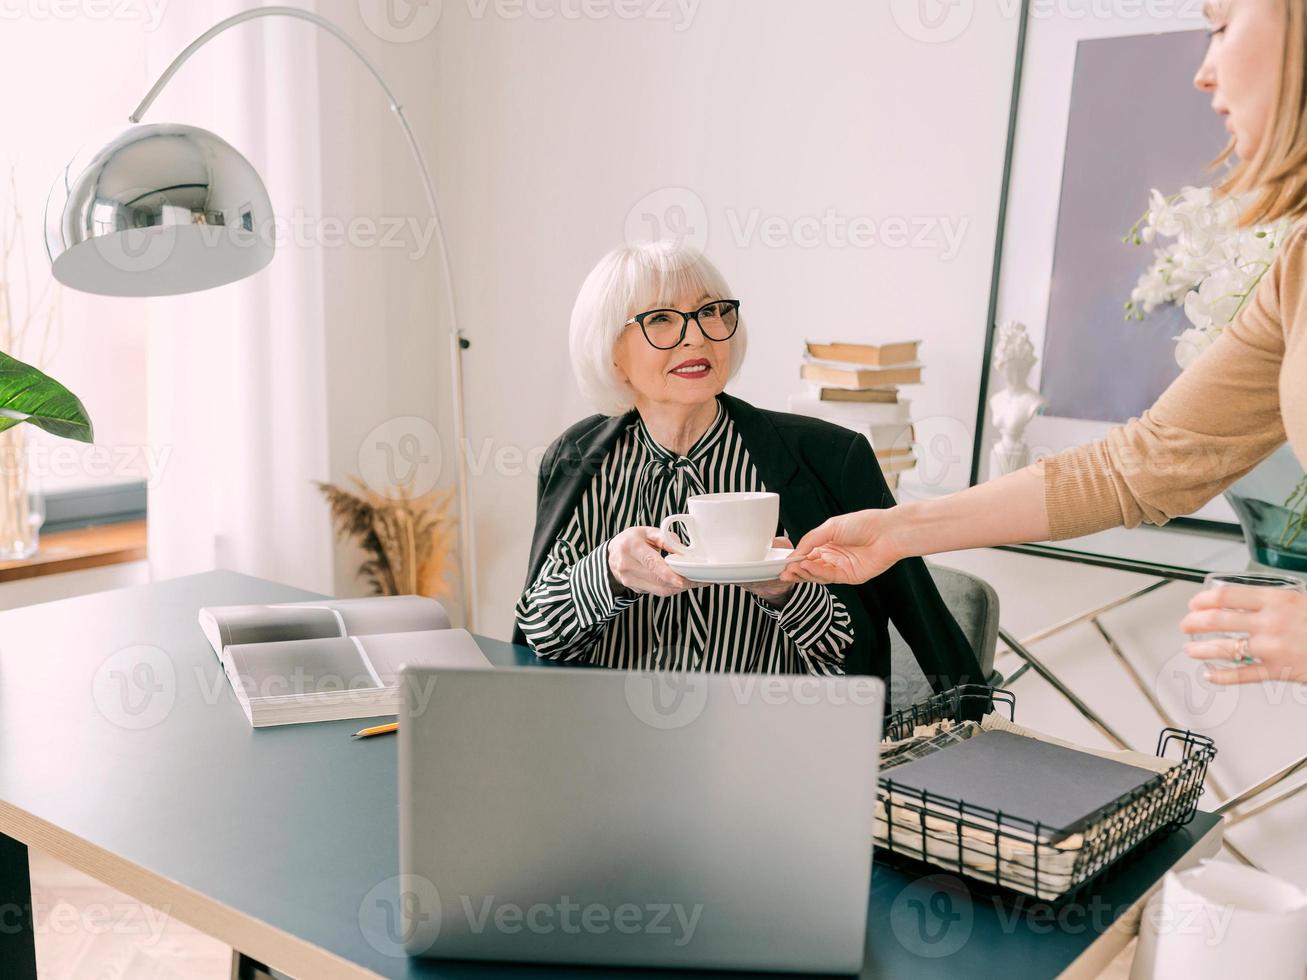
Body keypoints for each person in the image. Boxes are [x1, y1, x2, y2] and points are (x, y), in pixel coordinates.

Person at [783, 0, 1307, 687]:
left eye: (1220, 26)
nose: (1202, 74)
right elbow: (1142, 463)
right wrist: (897, 531)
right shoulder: (1295, 267)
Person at [512, 241, 983, 696]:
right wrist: (608, 572)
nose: (697, 335)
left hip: (768, 750)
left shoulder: (830, 458)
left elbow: (858, 659)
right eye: (660, 318)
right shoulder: (576, 458)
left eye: (712, 311)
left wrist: (787, 592)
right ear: (611, 350)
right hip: (607, 746)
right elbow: (539, 635)